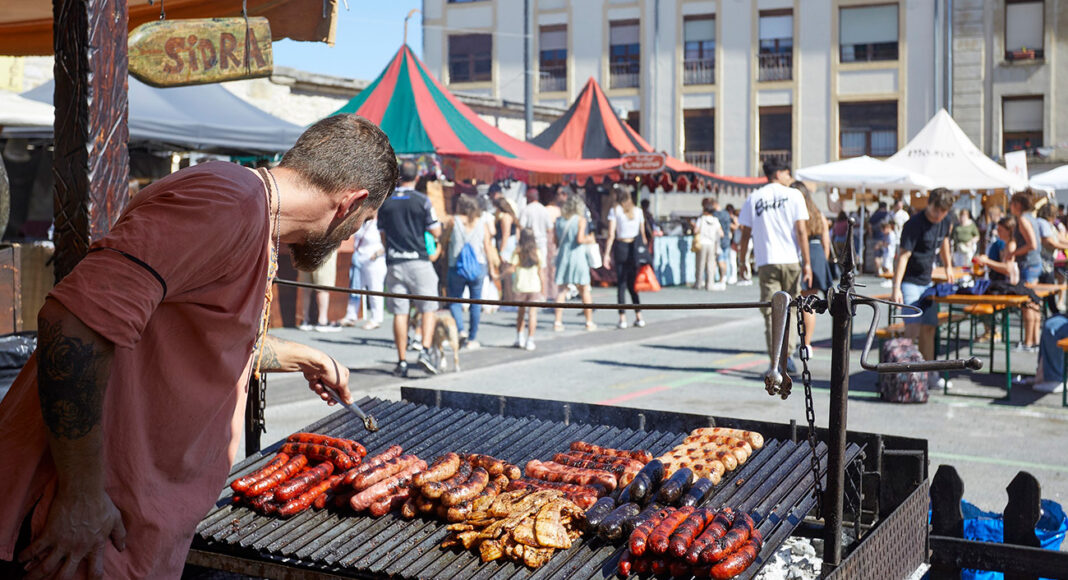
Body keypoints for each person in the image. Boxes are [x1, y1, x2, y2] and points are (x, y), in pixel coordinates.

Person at [0, 114, 397, 578]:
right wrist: (81, 493)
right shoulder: (226, 201)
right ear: (351, 202)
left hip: (127, 530)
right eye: (363, 222)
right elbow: (72, 324)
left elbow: (193, 339)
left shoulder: (253, 221)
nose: (353, 235)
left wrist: (301, 356)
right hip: (74, 528)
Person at [737, 160, 811, 373]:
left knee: (772, 311)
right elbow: (801, 232)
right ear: (779, 173)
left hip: (767, 259)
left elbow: (745, 234)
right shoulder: (794, 195)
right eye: (788, 173)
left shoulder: (755, 197)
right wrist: (807, 263)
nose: (790, 177)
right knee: (792, 309)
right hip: (791, 260)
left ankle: (776, 360)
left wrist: (743, 261)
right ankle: (786, 356)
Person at [378, 159, 442, 377]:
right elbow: (436, 231)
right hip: (419, 261)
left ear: (398, 177)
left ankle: (402, 361)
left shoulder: (385, 203)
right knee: (428, 307)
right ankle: (424, 350)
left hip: (395, 262)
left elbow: (383, 235)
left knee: (400, 313)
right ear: (417, 177)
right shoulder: (422, 200)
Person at [891, 187, 956, 362]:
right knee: (912, 329)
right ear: (929, 204)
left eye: (943, 212)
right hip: (910, 281)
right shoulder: (913, 224)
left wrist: (948, 266)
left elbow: (944, 242)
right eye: (936, 210)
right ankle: (904, 375)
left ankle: (928, 372)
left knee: (929, 328)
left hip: (928, 282)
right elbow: (903, 257)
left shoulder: (945, 221)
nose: (938, 215)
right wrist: (896, 288)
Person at [442, 195, 495, 350]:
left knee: (455, 300)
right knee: (476, 302)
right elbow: (487, 246)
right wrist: (492, 268)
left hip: (456, 266)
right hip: (478, 266)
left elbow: (444, 241)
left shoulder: (453, 221)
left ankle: (460, 329)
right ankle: (472, 338)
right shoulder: (481, 223)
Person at [794, 181, 833, 354]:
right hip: (818, 253)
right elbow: (826, 240)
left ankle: (799, 343)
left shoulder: (798, 212)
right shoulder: (817, 213)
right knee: (809, 302)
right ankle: (807, 344)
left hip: (804, 252)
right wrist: (823, 261)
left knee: (799, 301)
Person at [603, 186, 647, 329]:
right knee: (632, 284)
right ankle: (639, 315)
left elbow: (611, 234)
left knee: (621, 284)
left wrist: (606, 254)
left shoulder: (615, 211)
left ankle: (622, 318)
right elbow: (643, 235)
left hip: (621, 246)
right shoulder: (638, 211)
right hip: (634, 247)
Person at [553, 193, 596, 330]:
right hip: (577, 256)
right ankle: (589, 322)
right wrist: (589, 239)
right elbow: (580, 239)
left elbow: (555, 241)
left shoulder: (559, 220)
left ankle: (557, 322)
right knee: (584, 289)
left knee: (562, 290)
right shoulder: (580, 220)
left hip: (563, 256)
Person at [1009, 190, 1042, 350]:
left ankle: (1029, 343)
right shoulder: (1032, 218)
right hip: (1034, 264)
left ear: (1017, 205)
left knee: (1028, 304)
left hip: (1028, 264)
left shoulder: (1022, 219)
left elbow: (1032, 245)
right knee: (1034, 303)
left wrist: (1013, 253)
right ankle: (1034, 340)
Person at [342, 215, 387, 330]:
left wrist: (377, 254)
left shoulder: (380, 222)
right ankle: (351, 316)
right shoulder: (360, 222)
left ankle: (376, 318)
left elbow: (387, 241)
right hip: (359, 259)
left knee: (375, 290)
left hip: (375, 260)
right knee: (355, 288)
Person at [513, 228, 545, 351]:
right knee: (532, 314)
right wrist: (543, 289)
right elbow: (541, 272)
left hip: (520, 286)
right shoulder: (536, 252)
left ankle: (519, 337)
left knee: (520, 313)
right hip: (534, 286)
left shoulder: (517, 252)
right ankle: (530, 340)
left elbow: (512, 267)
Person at [519, 186, 554, 297]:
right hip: (542, 243)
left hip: (529, 243)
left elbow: (521, 226)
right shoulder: (543, 209)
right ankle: (543, 295)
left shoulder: (526, 210)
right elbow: (549, 227)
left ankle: (528, 296)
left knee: (528, 269)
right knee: (541, 269)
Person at [296, 249, 342, 332]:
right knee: (323, 287)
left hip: (304, 247)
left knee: (305, 286)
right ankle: (322, 322)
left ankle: (305, 320)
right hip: (324, 247)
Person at [693, 198, 725, 291]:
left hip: (702, 243)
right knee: (710, 264)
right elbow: (721, 233)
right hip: (711, 243)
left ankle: (698, 283)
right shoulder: (715, 220)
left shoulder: (701, 219)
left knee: (700, 264)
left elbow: (696, 230)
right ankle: (710, 284)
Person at [494, 197, 519, 302]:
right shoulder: (511, 216)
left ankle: (508, 298)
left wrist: (501, 251)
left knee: (506, 270)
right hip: (511, 243)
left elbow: (505, 234)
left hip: (506, 245)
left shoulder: (505, 217)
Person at [710, 198, 732, 286]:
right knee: (725, 260)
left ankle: (721, 278)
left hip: (719, 241)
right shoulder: (726, 214)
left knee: (720, 260)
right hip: (726, 240)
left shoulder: (714, 215)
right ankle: (724, 278)